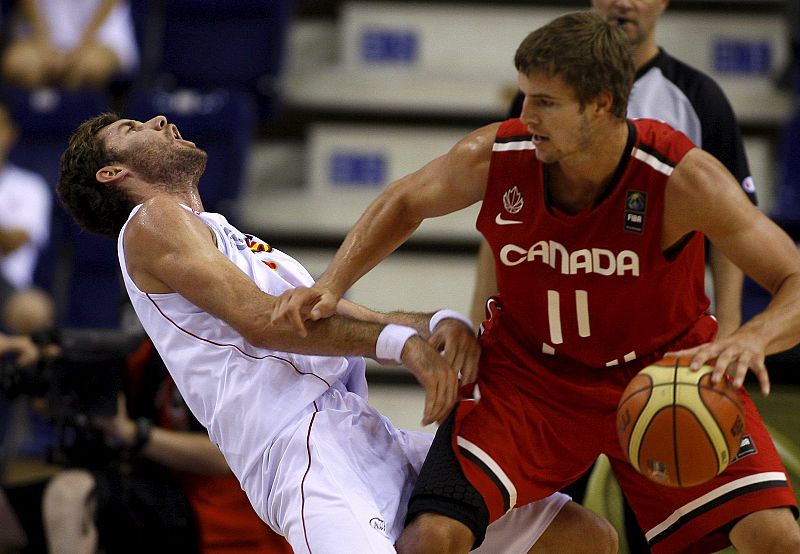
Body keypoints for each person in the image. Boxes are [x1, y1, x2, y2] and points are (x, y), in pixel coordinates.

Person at [271, 10, 800, 554]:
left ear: (601, 104)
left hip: (663, 373)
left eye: (545, 102)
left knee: (778, 538)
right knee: (432, 537)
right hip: (528, 378)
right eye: (525, 96)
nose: (525, 115)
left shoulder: (681, 177)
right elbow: (405, 200)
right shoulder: (498, 155)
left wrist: (752, 338)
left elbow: (793, 277)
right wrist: (331, 283)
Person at [54, 112, 618, 553]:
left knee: (581, 537)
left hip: (362, 430)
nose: (157, 121)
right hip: (301, 449)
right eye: (132, 129)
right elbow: (262, 322)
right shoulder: (150, 222)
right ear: (112, 174)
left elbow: (326, 311)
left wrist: (434, 324)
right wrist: (400, 345)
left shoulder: (228, 236)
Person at [473, 0, 756, 340]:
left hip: (656, 324)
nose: (623, 3)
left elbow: (731, 226)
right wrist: (478, 326)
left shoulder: (699, 98)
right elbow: (504, 216)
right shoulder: (538, 98)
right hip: (554, 325)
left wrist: (728, 332)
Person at [42, 329, 294, 554]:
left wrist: (131, 433)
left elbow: (224, 459)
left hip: (220, 516)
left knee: (69, 494)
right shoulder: (153, 347)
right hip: (163, 492)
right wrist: (44, 364)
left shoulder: (233, 353)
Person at [0, 100, 54, 335]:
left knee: (33, 309)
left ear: (10, 133)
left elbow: (14, 242)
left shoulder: (29, 186)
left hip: (9, 287)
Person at [1, 0, 139, 90]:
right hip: (40, 35)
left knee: (89, 67)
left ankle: (76, 122)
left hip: (102, 35)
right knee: (20, 65)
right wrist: (44, 45)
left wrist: (79, 51)